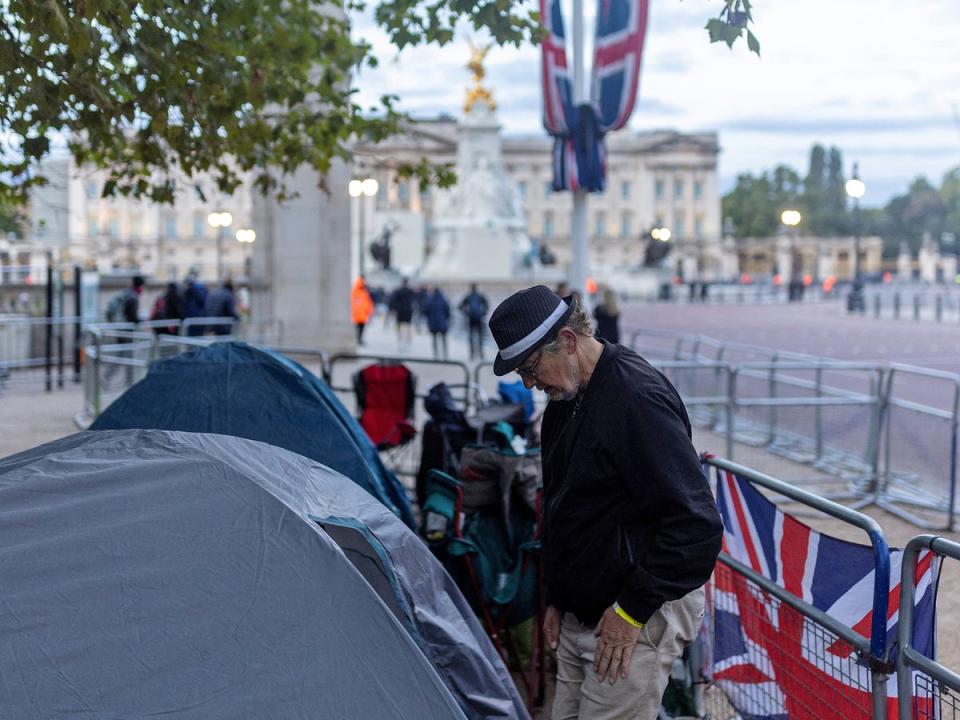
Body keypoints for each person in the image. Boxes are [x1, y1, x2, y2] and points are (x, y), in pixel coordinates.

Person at [487, 285, 723, 720]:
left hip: (633, 614)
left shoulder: (636, 400)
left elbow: (696, 528)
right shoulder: (567, 396)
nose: (528, 383)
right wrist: (559, 593)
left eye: (530, 368)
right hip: (587, 611)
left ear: (569, 342)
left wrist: (630, 612)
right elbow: (563, 503)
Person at [458, 283, 489, 360]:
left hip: (471, 319)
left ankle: (472, 354)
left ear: (471, 288)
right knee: (480, 336)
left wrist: (466, 313)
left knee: (471, 337)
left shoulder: (468, 296)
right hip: (479, 318)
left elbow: (459, 306)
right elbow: (487, 305)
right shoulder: (480, 296)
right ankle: (481, 353)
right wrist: (483, 313)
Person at [423, 286, 451, 359]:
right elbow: (448, 312)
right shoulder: (444, 300)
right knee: (444, 339)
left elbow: (426, 312)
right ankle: (445, 353)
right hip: (443, 323)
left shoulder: (430, 300)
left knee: (434, 339)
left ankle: (436, 354)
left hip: (433, 323)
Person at [389, 278, 416, 351]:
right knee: (408, 327)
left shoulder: (398, 291)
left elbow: (393, 300)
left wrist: (394, 309)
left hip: (400, 311)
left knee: (399, 327)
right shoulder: (411, 291)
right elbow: (415, 300)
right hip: (408, 311)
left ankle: (400, 342)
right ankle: (407, 342)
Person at [182, 270, 208, 337]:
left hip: (193, 318)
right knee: (198, 339)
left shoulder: (192, 290)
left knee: (193, 339)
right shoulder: (200, 288)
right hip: (198, 318)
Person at [351, 276, 375, 345]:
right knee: (360, 328)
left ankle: (359, 339)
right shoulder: (362, 293)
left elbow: (368, 303)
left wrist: (369, 311)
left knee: (359, 328)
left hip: (359, 314)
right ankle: (358, 339)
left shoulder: (357, 292)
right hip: (359, 314)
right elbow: (368, 303)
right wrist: (369, 311)